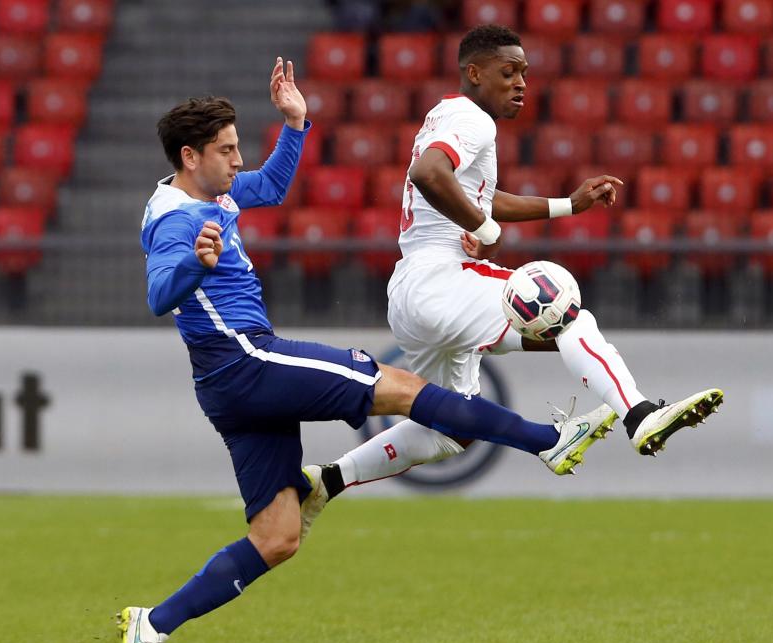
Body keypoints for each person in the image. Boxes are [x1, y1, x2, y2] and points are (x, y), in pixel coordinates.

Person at [117, 57, 616, 643]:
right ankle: (549, 441)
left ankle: (152, 623)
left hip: (228, 388)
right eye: (226, 151)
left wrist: (296, 126)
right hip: (248, 358)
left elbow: (268, 189)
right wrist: (194, 263)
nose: (238, 161)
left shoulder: (204, 193)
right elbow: (160, 293)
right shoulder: (178, 220)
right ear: (191, 156)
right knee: (405, 390)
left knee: (278, 537)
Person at [297, 25, 723, 518]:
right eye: (508, 71)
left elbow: (477, 196)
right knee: (568, 313)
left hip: (413, 295)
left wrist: (567, 204)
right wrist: (487, 231)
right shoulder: (472, 119)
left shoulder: (447, 115)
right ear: (474, 73)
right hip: (443, 280)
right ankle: (640, 414)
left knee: (452, 426)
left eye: (524, 72)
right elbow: (429, 176)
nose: (521, 82)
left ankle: (327, 480)